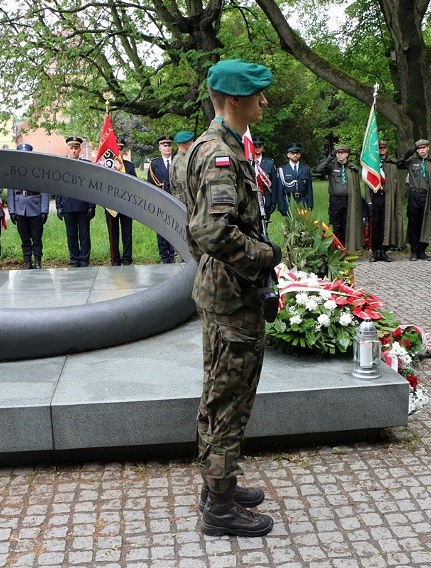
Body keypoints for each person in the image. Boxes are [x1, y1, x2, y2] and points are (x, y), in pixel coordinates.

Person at [184, 59, 280, 537]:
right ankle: (219, 508)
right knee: (229, 396)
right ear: (236, 99)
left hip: (221, 287)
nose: (265, 101)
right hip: (232, 293)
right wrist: (264, 255)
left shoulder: (215, 147)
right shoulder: (219, 154)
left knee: (221, 389)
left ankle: (217, 483)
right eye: (258, 94)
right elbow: (212, 230)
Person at [397, 139, 431, 261]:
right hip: (414, 196)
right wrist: (410, 152)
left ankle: (422, 251)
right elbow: (399, 163)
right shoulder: (412, 162)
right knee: (414, 223)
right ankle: (414, 252)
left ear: (428, 148)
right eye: (419, 148)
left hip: (427, 196)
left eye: (423, 148)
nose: (421, 150)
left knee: (426, 223)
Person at [315, 143, 366, 250]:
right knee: (335, 225)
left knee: (346, 225)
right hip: (335, 200)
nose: (339, 155)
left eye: (342, 153)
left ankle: (345, 248)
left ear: (347, 154)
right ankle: (336, 249)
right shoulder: (331, 167)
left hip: (349, 200)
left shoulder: (351, 168)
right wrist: (330, 157)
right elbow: (319, 169)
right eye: (337, 153)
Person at [8, 143, 50, 269]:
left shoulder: (37, 171)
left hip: (35, 208)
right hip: (20, 209)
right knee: (24, 238)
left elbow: (45, 190)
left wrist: (44, 210)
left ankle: (37, 261)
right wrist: (11, 211)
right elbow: (10, 192)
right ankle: (27, 262)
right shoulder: (14, 172)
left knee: (37, 238)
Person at [57, 136, 96, 267]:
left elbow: (91, 186)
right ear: (68, 148)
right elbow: (58, 186)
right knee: (71, 234)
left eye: (76, 148)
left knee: (84, 234)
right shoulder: (61, 165)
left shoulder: (86, 165)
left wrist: (92, 205)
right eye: (71, 148)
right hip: (67, 204)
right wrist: (58, 205)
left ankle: (84, 259)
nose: (74, 150)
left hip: (83, 204)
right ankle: (74, 258)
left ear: (80, 149)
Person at [148, 135, 176, 263]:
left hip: (176, 200)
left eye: (169, 145)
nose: (167, 147)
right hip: (161, 200)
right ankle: (164, 255)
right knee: (162, 228)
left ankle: (175, 253)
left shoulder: (178, 160)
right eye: (164, 145)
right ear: (159, 148)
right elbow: (150, 184)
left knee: (175, 227)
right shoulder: (154, 164)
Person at [106, 143, 136, 266]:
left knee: (127, 232)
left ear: (123, 151)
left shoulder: (129, 166)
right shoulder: (107, 166)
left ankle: (127, 258)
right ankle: (115, 258)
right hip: (110, 204)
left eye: (120, 149)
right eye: (116, 149)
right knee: (113, 233)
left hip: (126, 204)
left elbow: (134, 185)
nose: (118, 151)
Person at [169, 131, 196, 263]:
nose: (192, 144)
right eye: (191, 142)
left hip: (182, 202)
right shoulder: (181, 161)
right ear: (185, 144)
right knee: (183, 239)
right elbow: (184, 183)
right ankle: (181, 266)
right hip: (183, 203)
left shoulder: (179, 159)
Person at [378, 140, 403, 254]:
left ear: (387, 149)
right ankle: (375, 250)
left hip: (388, 196)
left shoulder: (392, 163)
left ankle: (385, 248)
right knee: (376, 223)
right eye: (380, 147)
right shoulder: (372, 163)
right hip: (376, 196)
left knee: (387, 221)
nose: (382, 149)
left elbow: (395, 182)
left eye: (384, 148)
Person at [275, 143, 313, 215]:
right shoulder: (282, 170)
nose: (295, 155)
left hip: (303, 202)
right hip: (288, 202)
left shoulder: (306, 169)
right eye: (292, 153)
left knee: (303, 225)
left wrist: (310, 206)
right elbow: (280, 191)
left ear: (299, 155)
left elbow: (309, 189)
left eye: (297, 153)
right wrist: (281, 207)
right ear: (288, 155)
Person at [252, 136, 277, 217]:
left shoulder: (270, 163)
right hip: (253, 199)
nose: (257, 148)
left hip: (266, 198)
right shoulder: (248, 162)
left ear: (262, 147)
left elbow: (274, 184)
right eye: (255, 146)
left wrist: (273, 201)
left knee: (265, 226)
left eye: (259, 146)